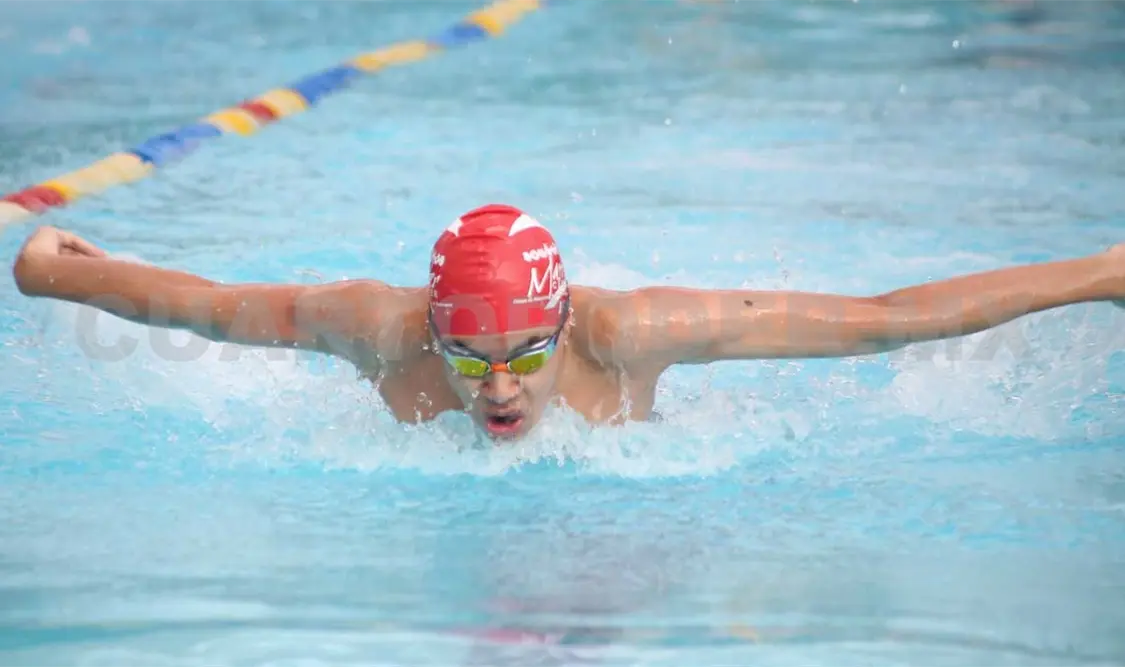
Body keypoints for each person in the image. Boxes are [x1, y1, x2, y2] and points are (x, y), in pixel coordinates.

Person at [11, 203, 1124, 440]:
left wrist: (1104, 271)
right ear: (431, 330)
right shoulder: (378, 328)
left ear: (564, 324)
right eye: (472, 357)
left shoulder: (630, 333)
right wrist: (53, 269)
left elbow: (885, 323)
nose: (499, 387)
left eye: (525, 354)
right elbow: (205, 311)